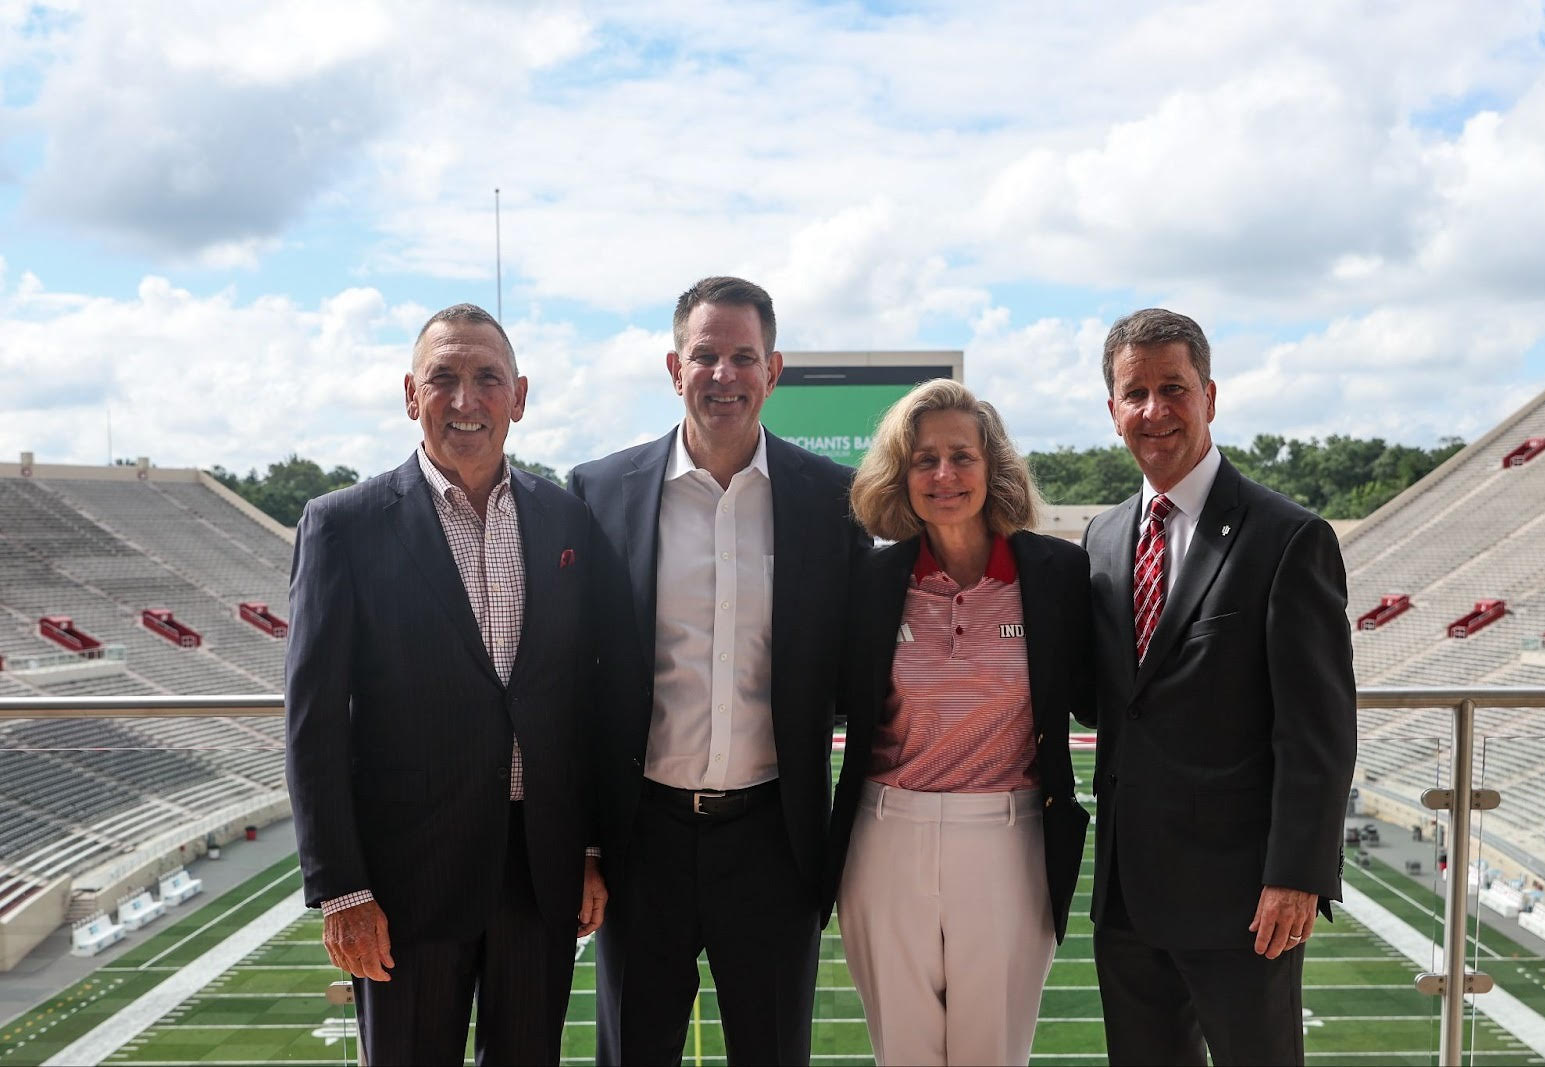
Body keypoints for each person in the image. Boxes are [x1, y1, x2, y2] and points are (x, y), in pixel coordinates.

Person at [284, 303, 607, 1065]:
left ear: (519, 397)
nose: (467, 400)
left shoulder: (564, 518)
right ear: (409, 394)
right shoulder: (344, 525)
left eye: (487, 378)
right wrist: (342, 888)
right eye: (444, 378)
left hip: (539, 871)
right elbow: (314, 722)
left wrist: (591, 845)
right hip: (406, 884)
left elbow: (582, 696)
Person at [568, 276, 869, 1065]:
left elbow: (857, 676)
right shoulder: (600, 493)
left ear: (774, 371)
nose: (724, 375)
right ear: (675, 368)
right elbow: (579, 684)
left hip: (774, 840)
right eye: (706, 355)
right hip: (644, 840)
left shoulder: (834, 500)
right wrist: (588, 844)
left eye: (744, 357)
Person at [1083, 308, 1356, 1065]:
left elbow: (1319, 729)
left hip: (1243, 900)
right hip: (1128, 896)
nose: (1154, 410)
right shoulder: (1104, 537)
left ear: (1210, 394)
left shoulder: (1287, 536)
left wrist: (1296, 877)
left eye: (1173, 388)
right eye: (1134, 393)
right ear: (1112, 411)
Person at [824, 379, 1094, 1066]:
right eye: (923, 460)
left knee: (992, 1055)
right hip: (886, 837)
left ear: (993, 465)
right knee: (904, 1055)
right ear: (902, 475)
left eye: (961, 456)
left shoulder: (1058, 572)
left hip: (1011, 839)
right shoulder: (866, 581)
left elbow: (1101, 695)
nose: (944, 475)